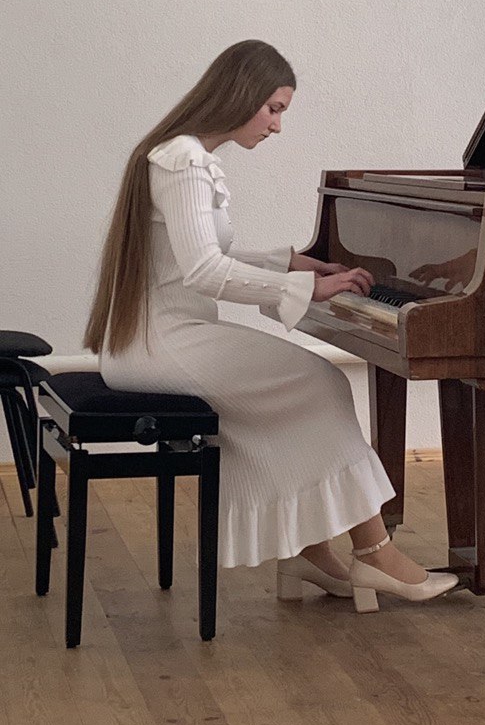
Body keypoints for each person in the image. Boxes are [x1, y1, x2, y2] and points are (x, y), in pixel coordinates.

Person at [85, 40, 458, 612]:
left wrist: (294, 264)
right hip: (164, 344)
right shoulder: (184, 162)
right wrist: (307, 289)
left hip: (161, 337)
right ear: (240, 95)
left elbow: (199, 257)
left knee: (304, 395)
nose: (277, 126)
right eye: (274, 109)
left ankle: (310, 553)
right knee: (323, 382)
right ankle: (374, 553)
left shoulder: (180, 154)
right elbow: (205, 271)